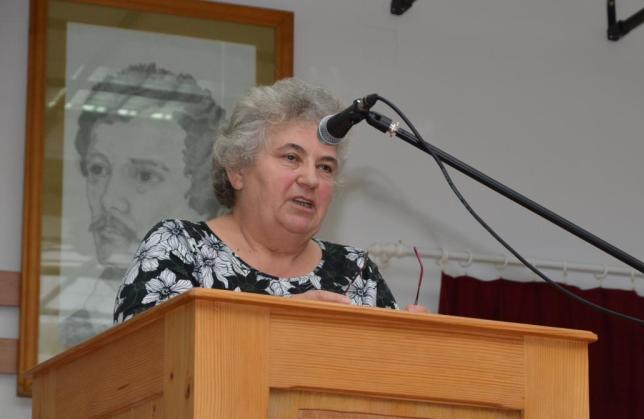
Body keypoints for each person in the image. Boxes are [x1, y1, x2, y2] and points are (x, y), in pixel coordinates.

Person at [114, 78, 422, 322]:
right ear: (238, 169)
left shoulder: (356, 271)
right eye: (291, 157)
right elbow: (146, 360)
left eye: (325, 167)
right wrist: (277, 323)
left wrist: (417, 346)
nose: (311, 179)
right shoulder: (178, 248)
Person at [62, 63, 226, 346]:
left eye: (144, 176)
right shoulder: (82, 326)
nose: (108, 200)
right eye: (98, 169)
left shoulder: (224, 322)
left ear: (201, 195)